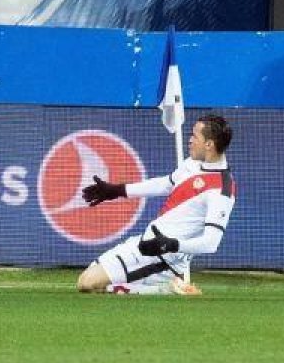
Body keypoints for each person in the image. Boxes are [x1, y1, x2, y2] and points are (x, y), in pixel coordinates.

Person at [75, 115, 235, 296]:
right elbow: (166, 184)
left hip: (165, 259)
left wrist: (170, 245)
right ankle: (170, 286)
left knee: (87, 284)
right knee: (86, 280)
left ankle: (166, 289)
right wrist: (117, 190)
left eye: (195, 136)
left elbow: (211, 243)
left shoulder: (223, 190)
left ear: (209, 145)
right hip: (146, 242)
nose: (189, 140)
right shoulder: (192, 164)